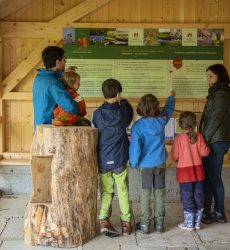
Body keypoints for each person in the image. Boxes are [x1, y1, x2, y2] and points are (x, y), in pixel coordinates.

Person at [129, 90, 176, 234]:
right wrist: (171, 97)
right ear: (156, 107)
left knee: (145, 194)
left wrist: (134, 163)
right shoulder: (161, 120)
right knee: (160, 192)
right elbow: (168, 109)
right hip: (160, 162)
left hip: (145, 166)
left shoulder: (137, 126)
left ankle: (144, 224)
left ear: (141, 108)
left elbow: (135, 147)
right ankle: (160, 224)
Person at [92, 79, 133, 237]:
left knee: (106, 190)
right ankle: (126, 223)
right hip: (119, 158)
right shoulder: (122, 113)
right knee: (122, 190)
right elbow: (129, 113)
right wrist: (122, 101)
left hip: (103, 158)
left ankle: (103, 219)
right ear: (118, 94)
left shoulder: (97, 114)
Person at [199, 64, 230, 224]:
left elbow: (215, 120)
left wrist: (203, 140)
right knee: (210, 177)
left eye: (211, 76)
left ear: (220, 76)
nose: (208, 79)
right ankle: (209, 212)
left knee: (213, 178)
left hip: (214, 141)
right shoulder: (217, 93)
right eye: (207, 76)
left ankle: (217, 212)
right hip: (214, 139)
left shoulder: (221, 95)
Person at [172, 111, 210, 231]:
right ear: (195, 123)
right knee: (199, 195)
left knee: (187, 196)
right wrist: (208, 147)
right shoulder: (199, 136)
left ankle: (189, 224)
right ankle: (197, 223)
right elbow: (205, 152)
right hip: (198, 172)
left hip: (184, 173)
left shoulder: (178, 138)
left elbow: (175, 156)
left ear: (180, 124)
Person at [33, 46, 78, 129]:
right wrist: (79, 108)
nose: (65, 62)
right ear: (58, 62)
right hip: (49, 128)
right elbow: (70, 107)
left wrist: (64, 73)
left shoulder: (39, 77)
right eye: (64, 60)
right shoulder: (53, 83)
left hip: (40, 126)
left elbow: (52, 76)